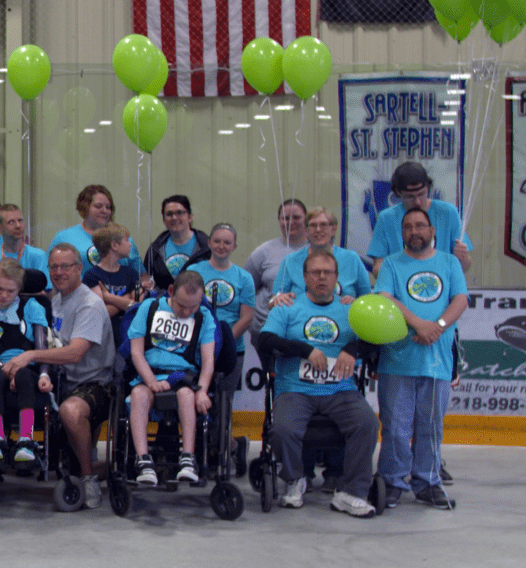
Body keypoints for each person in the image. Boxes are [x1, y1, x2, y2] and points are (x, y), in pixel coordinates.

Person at [255, 251, 380, 517]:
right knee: (283, 429)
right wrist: (304, 349)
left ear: (337, 277)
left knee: (367, 423)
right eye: (315, 272)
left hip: (340, 389)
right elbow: (265, 340)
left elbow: (376, 338)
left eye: (328, 273)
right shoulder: (288, 307)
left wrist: (353, 348)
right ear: (304, 277)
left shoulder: (350, 309)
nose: (321, 277)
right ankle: (294, 479)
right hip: (296, 389)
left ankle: (351, 492)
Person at [2, 245, 117, 509]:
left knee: (70, 411)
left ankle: (89, 477)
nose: (59, 272)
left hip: (93, 383)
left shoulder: (89, 304)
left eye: (66, 266)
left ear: (79, 268)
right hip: (58, 380)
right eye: (54, 267)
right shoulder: (54, 302)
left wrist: (31, 356)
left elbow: (75, 353)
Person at [374, 207, 468, 510]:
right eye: (408, 227)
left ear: (432, 231)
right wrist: (419, 324)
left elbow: (460, 299)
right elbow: (385, 297)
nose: (414, 231)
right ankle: (392, 480)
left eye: (420, 226)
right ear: (402, 233)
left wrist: (438, 328)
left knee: (431, 426)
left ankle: (427, 482)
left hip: (437, 359)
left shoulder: (449, 262)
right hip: (398, 359)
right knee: (396, 426)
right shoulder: (391, 263)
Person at [125, 271, 216, 486]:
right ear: (172, 292)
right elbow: (136, 352)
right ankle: (143, 461)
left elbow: (208, 361)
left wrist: (202, 390)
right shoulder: (149, 308)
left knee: (186, 395)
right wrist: (150, 381)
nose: (186, 312)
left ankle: (188, 458)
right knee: (138, 395)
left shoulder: (204, 317)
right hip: (149, 375)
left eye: (192, 307)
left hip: (183, 378)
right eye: (181, 305)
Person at [0, 260, 49, 468]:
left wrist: (44, 375)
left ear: (19, 289)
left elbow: (42, 349)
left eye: (10, 291)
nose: (4, 295)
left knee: (24, 375)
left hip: (29, 368)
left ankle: (26, 438)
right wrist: (9, 372)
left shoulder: (32, 307)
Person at [186, 223, 256, 397]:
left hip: (231, 348)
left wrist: (223, 341)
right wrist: (208, 341)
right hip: (195, 347)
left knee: (224, 400)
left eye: (227, 242)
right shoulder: (193, 271)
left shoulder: (245, 278)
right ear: (209, 243)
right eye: (217, 241)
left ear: (235, 246)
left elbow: (247, 317)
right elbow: (184, 307)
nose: (221, 246)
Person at [368, 161, 473, 277]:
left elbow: (465, 266)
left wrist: (462, 257)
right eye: (410, 197)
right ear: (398, 192)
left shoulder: (448, 213)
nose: (417, 201)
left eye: (421, 194)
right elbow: (378, 266)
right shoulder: (386, 218)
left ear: (428, 188)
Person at [272, 207, 371, 309]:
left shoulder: (352, 259)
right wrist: (278, 299)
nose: (318, 229)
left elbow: (369, 301)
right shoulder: (290, 261)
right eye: (313, 225)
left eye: (323, 224)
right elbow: (272, 301)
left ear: (334, 229)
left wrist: (357, 303)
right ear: (306, 231)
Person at [49, 185, 143, 274]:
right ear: (84, 207)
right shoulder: (64, 238)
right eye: (98, 206)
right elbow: (50, 274)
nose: (104, 211)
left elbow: (141, 276)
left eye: (108, 207)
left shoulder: (124, 238)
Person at [245, 199, 308, 331]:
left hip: (305, 328)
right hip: (266, 330)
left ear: (306, 219)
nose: (291, 222)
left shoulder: (317, 251)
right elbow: (247, 290)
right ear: (279, 221)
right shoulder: (263, 252)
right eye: (285, 218)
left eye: (296, 217)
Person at [143, 195, 210, 292]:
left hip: (197, 302)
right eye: (169, 214)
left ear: (190, 217)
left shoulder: (206, 247)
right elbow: (145, 279)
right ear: (164, 221)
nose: (174, 218)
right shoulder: (155, 249)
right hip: (164, 303)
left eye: (180, 213)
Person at [82, 223, 140, 317]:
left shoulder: (131, 273)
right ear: (114, 245)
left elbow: (138, 306)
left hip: (127, 330)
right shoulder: (92, 276)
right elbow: (101, 313)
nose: (130, 244)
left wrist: (108, 297)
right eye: (126, 240)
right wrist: (127, 299)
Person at [0, 203, 48, 278]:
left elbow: (45, 289)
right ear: (0, 228)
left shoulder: (38, 256)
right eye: (11, 222)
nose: (18, 226)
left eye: (20, 220)